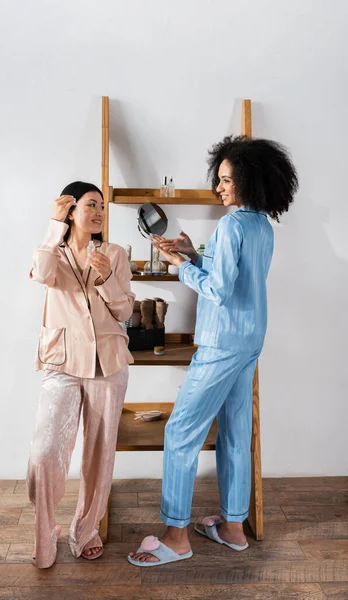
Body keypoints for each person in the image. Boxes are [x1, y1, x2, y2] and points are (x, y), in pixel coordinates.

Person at [128, 135, 298, 566]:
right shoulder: (260, 226)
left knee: (180, 431)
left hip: (222, 343)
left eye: (227, 179)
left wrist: (179, 266)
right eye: (219, 179)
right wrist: (191, 254)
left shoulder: (231, 225)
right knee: (235, 433)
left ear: (248, 179)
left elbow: (218, 290)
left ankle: (176, 536)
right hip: (249, 340)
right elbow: (234, 278)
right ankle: (233, 529)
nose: (219, 187)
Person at [27, 181, 135, 568]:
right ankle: (45, 534)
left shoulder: (115, 254)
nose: (98, 212)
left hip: (108, 362)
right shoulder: (52, 252)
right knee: (44, 453)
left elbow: (125, 313)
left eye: (102, 206)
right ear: (71, 210)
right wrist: (53, 226)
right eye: (90, 205)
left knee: (98, 454)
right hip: (62, 361)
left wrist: (106, 279)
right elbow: (41, 275)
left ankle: (86, 530)